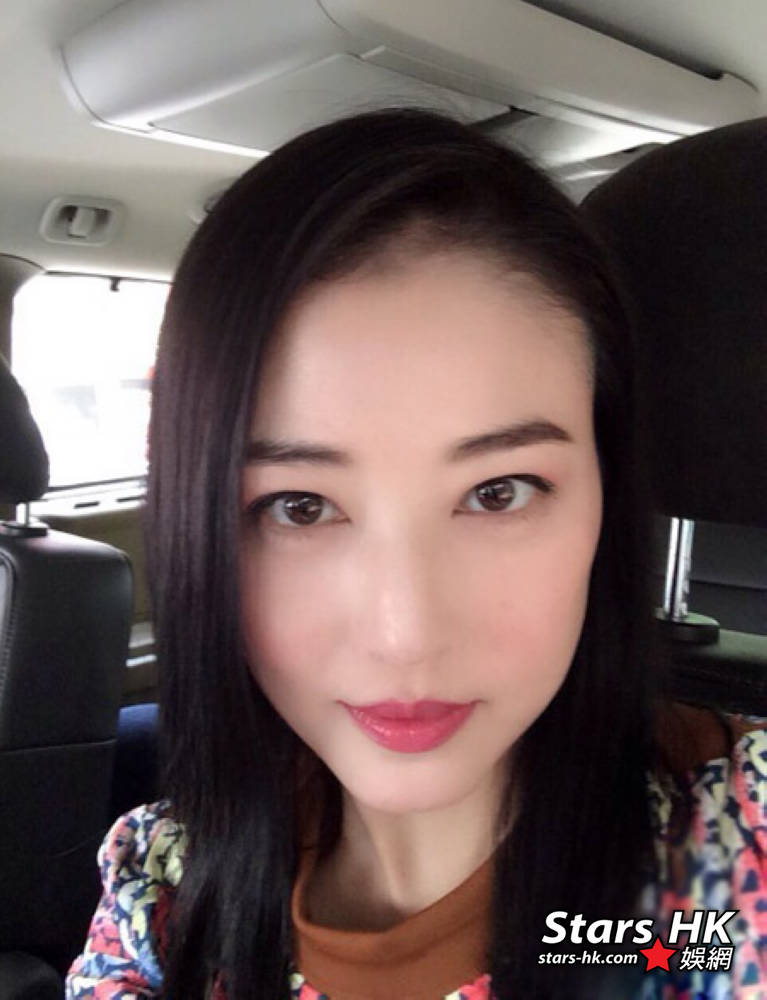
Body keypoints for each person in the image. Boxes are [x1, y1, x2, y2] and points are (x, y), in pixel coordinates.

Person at [65, 109, 766, 1000]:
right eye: (300, 506)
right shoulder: (161, 889)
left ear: (605, 494)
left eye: (498, 492)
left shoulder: (721, 872)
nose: (406, 636)